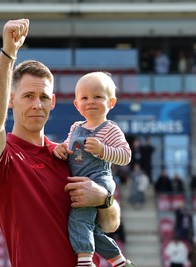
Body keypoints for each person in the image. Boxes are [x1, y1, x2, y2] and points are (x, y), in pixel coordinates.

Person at [0, 18, 122, 267]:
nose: (37, 104)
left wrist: (104, 198)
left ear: (52, 102)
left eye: (43, 97)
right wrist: (8, 54)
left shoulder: (69, 153)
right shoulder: (5, 158)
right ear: (11, 100)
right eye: (28, 96)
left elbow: (110, 224)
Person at [53, 71, 132, 267]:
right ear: (77, 104)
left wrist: (103, 149)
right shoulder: (75, 127)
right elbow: (68, 147)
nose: (91, 102)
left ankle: (85, 261)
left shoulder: (110, 129)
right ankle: (120, 262)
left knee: (78, 221)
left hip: (98, 180)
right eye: (85, 98)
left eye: (98, 96)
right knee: (91, 229)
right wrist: (60, 149)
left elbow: (125, 155)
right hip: (81, 181)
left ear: (111, 102)